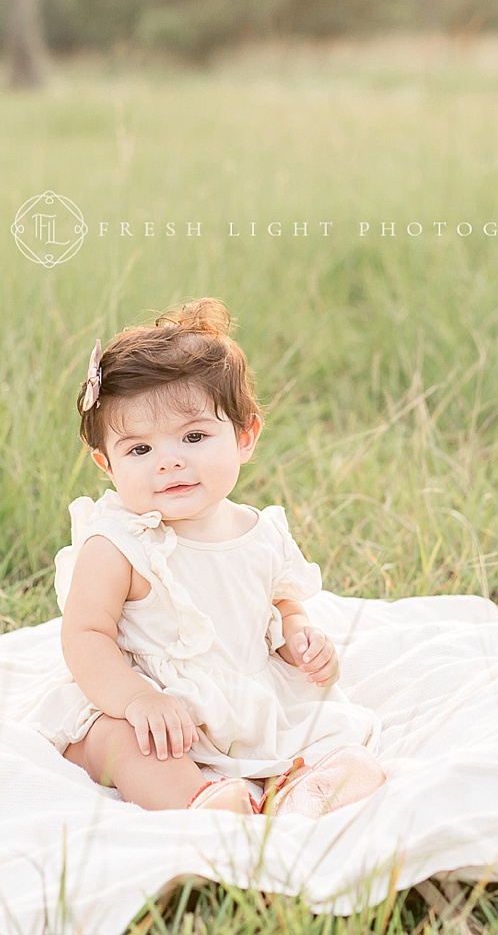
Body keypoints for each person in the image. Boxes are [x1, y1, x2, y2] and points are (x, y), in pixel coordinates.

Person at [28, 298, 388, 816]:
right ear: (106, 464)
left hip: (240, 696)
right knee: (127, 744)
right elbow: (85, 635)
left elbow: (279, 605)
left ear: (245, 438)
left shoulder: (259, 532)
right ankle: (201, 801)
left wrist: (298, 637)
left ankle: (298, 785)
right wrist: (136, 699)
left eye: (194, 437)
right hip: (146, 703)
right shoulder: (119, 546)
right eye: (139, 450)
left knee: (330, 735)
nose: (169, 461)